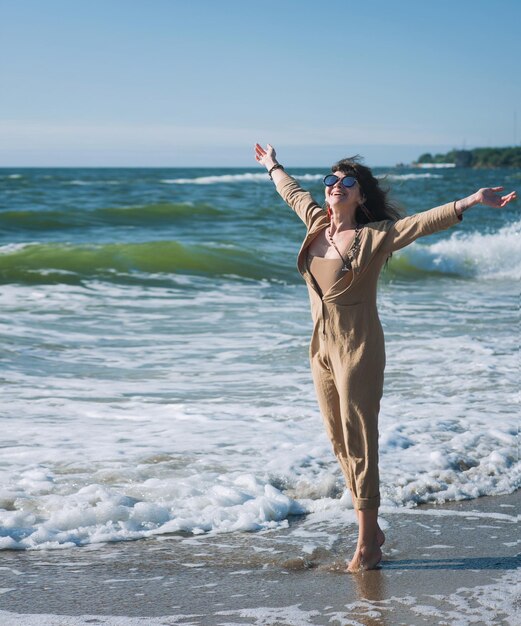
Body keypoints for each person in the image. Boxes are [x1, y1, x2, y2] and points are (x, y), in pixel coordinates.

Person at [254, 143, 517, 572]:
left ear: (360, 195)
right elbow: (292, 192)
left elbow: (419, 224)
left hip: (358, 349)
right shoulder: (316, 223)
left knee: (360, 442)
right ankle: (372, 529)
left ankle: (367, 544)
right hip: (320, 348)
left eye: (348, 181)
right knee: (338, 440)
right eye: (332, 179)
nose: (336, 185)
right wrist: (272, 166)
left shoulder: (373, 236)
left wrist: (469, 200)